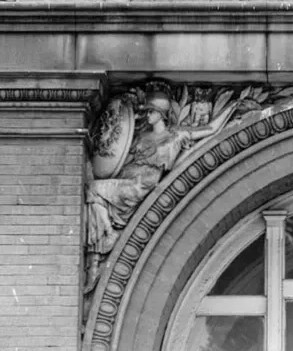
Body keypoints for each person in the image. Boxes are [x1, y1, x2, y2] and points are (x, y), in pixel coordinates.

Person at [84, 90, 230, 291]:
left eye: (151, 111)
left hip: (138, 186)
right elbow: (118, 158)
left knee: (93, 190)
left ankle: (105, 240)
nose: (147, 115)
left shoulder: (175, 134)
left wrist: (234, 108)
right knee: (93, 199)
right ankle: (103, 243)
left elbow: (211, 129)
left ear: (161, 113)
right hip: (127, 181)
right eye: (147, 112)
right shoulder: (141, 137)